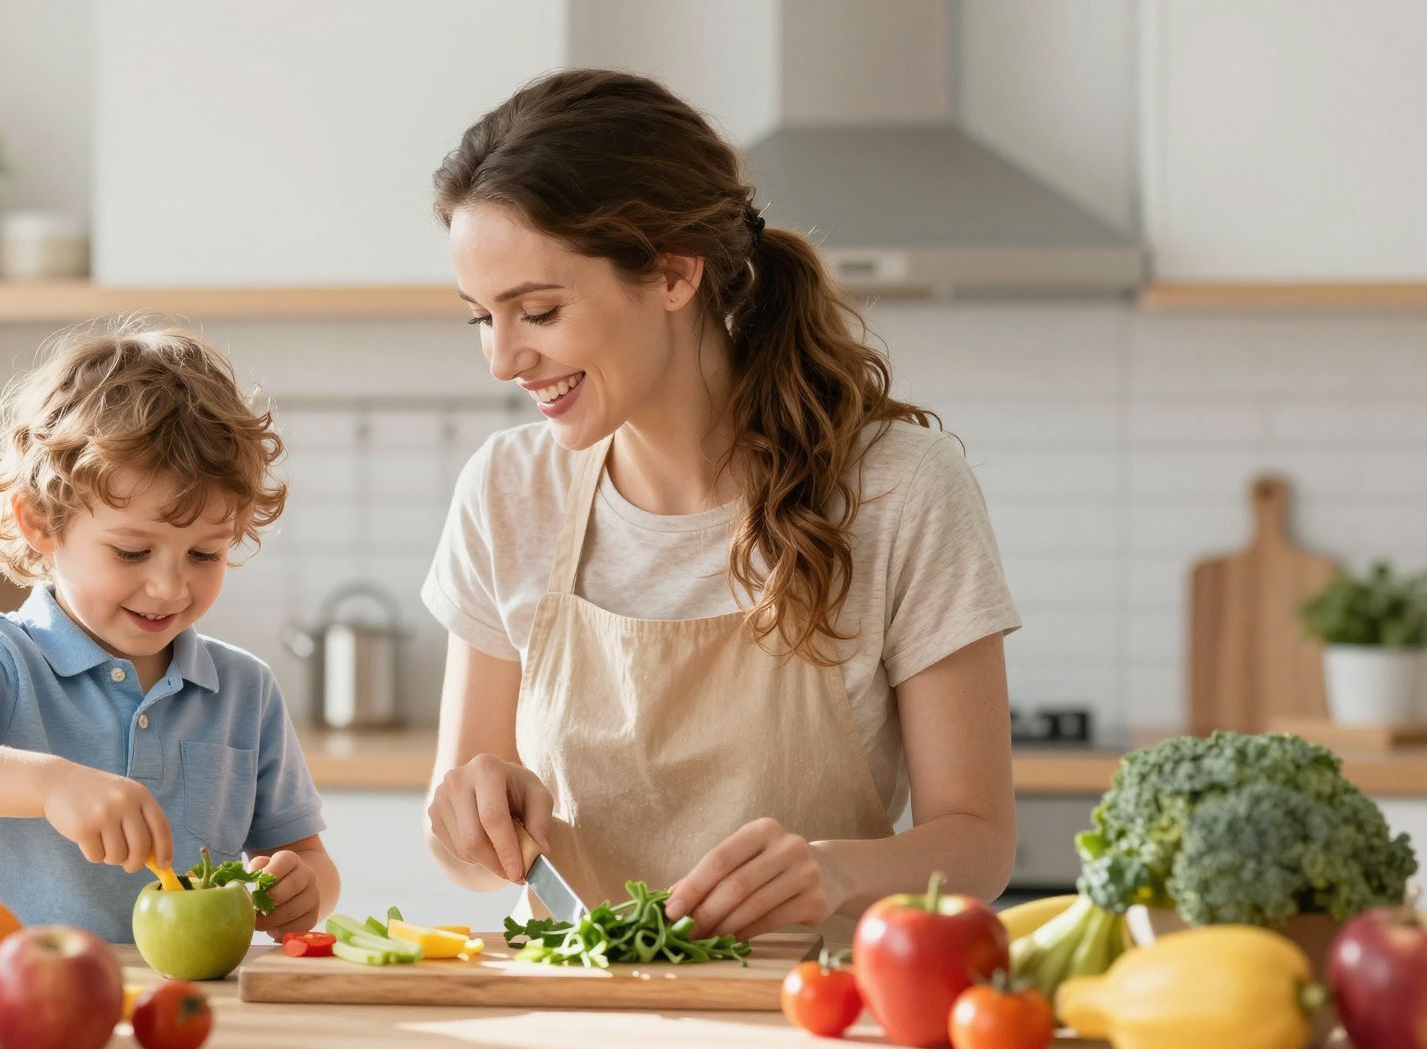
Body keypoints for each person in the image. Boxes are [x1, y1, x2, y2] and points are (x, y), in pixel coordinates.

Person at [421, 70, 1020, 945]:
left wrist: (837, 871)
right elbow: (467, 854)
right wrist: (469, 818)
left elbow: (980, 842)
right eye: (481, 318)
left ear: (671, 273)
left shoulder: (900, 490)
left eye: (538, 311)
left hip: (813, 1019)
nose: (504, 360)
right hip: (568, 1027)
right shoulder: (508, 491)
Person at [0, 320, 337, 943]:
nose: (170, 588)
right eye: (132, 553)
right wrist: (50, 784)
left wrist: (304, 888)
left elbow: (307, 854)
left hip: (189, 1010)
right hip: (21, 1009)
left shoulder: (244, 691)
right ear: (40, 523)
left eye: (205, 554)